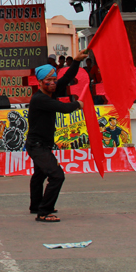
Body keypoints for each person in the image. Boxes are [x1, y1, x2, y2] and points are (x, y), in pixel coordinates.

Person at [25, 49, 89, 223]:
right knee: (57, 176)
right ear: (40, 82)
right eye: (49, 80)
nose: (53, 83)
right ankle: (44, 211)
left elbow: (67, 78)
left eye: (54, 80)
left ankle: (36, 206)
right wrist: (79, 104)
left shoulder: (50, 91)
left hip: (42, 144)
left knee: (39, 175)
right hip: (36, 145)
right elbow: (65, 108)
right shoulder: (40, 99)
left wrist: (75, 61)